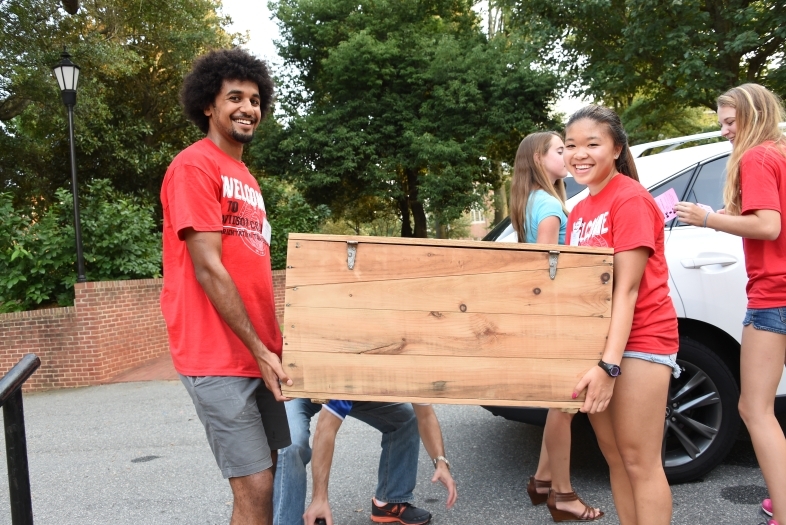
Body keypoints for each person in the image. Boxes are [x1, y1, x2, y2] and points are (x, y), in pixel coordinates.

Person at [160, 47, 292, 525]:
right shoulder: (195, 167)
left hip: (257, 352)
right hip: (216, 353)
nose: (248, 108)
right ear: (208, 106)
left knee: (267, 474)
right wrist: (259, 349)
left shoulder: (246, 178)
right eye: (234, 97)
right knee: (254, 485)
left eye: (255, 99)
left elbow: (251, 268)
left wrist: (272, 346)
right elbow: (209, 268)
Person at [674, 83, 786, 525]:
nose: (724, 132)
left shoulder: (757, 156)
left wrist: (707, 218)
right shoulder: (779, 152)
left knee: (753, 408)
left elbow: (768, 226)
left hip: (773, 294)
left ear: (752, 115)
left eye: (729, 122)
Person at [565, 105, 680, 525]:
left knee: (640, 461)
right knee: (615, 458)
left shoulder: (630, 198)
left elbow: (627, 289)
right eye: (572, 145)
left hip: (641, 342)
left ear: (615, 148)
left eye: (592, 144)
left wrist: (608, 366)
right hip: (601, 347)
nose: (580, 154)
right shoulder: (578, 210)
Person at [509, 131, 602, 522]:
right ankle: (561, 494)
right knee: (566, 403)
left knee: (560, 403)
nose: (570, 156)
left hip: (546, 316)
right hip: (559, 314)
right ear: (538, 160)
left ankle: (543, 480)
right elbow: (547, 270)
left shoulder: (530, 200)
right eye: (561, 150)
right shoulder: (549, 205)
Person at [289, 400, 456, 525]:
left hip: (361, 384)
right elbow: (325, 428)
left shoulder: (410, 367)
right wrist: (319, 498)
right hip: (303, 386)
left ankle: (390, 502)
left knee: (405, 418)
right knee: (291, 445)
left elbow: (425, 416)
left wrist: (441, 463)